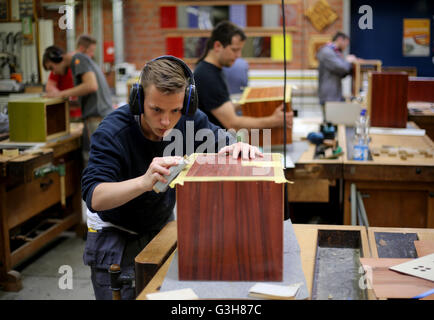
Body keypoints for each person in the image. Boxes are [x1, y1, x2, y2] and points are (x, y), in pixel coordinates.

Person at [81, 56, 262, 300]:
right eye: (156, 110)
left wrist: (240, 146)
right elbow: (95, 197)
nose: (166, 121)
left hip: (160, 227)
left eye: (175, 110)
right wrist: (143, 182)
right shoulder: (113, 131)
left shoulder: (189, 119)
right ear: (138, 101)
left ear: (186, 104)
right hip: (115, 234)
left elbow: (222, 140)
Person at [194, 21, 292, 131]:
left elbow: (222, 107)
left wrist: (250, 101)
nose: (238, 55)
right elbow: (232, 123)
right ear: (217, 46)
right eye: (234, 50)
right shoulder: (207, 76)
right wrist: (273, 120)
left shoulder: (214, 70)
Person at [42, 41, 113, 165]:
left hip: (97, 119)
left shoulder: (78, 59)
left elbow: (91, 86)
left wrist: (61, 94)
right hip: (98, 118)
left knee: (97, 163)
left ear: (58, 58)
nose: (54, 73)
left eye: (52, 68)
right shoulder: (81, 60)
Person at [317, 31, 358, 120]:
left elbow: (342, 72)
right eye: (346, 44)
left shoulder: (334, 52)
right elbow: (342, 68)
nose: (346, 47)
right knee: (329, 124)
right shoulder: (327, 52)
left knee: (334, 123)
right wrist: (348, 61)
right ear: (340, 39)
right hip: (329, 95)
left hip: (334, 94)